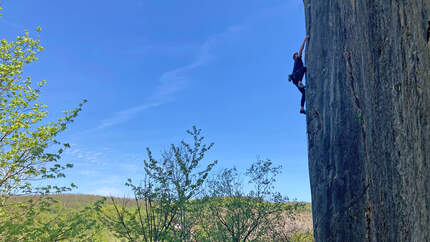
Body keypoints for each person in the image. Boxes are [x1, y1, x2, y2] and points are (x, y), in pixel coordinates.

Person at [289, 36, 309, 114]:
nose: (299, 54)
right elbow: (301, 49)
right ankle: (300, 82)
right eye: (297, 54)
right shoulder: (298, 59)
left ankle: (301, 108)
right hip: (296, 77)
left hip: (294, 79)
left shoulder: (296, 64)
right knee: (304, 68)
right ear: (296, 56)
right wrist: (304, 40)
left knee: (304, 92)